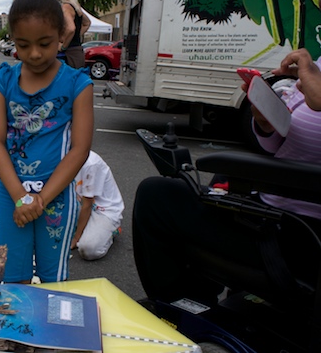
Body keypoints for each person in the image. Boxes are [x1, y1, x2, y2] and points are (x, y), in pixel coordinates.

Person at [133, 71, 321, 304]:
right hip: (276, 209)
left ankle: (181, 306)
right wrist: (265, 122)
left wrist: (314, 80)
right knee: (221, 181)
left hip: (300, 237)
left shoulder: (314, 72)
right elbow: (278, 145)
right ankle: (201, 300)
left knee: (156, 196)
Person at [0, 0, 94, 284]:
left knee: (52, 280)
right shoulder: (3, 81)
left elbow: (80, 149)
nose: (34, 53)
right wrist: (21, 198)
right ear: (13, 42)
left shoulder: (78, 84)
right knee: (13, 278)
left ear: (61, 36)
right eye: (23, 45)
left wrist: (40, 199)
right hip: (12, 196)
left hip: (56, 197)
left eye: (44, 43)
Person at [72, 150, 124, 260]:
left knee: (88, 249)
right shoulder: (58, 155)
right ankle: (86, 228)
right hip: (77, 204)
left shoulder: (90, 163)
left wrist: (76, 238)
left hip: (102, 210)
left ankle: (112, 231)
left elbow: (88, 204)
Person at [54, 0, 91, 69]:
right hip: (78, 52)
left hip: (68, 55)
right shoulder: (75, 6)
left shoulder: (66, 7)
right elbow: (87, 23)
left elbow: (71, 28)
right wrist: (76, 37)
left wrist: (63, 46)